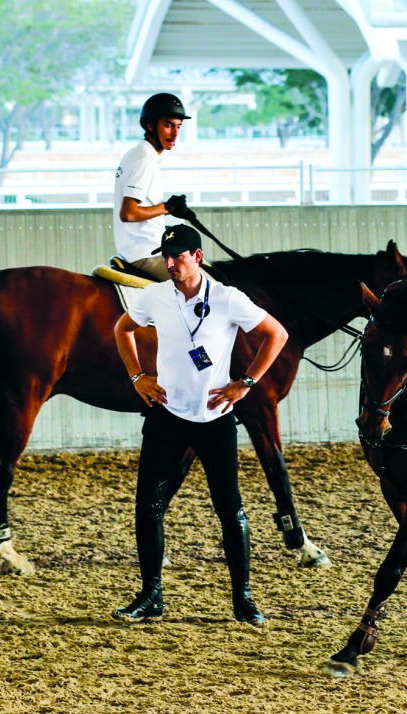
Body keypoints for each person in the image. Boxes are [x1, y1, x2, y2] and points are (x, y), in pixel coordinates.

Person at [111, 224, 288, 625]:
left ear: (198, 257)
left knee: (231, 510)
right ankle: (150, 595)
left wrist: (246, 383)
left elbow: (276, 334)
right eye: (166, 256)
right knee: (149, 508)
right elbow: (123, 330)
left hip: (215, 420)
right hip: (166, 417)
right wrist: (138, 376)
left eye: (179, 256)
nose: (170, 263)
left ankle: (243, 599)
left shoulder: (227, 299)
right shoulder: (154, 295)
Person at [113, 93, 196, 282]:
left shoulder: (136, 154)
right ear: (150, 126)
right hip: (146, 252)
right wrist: (168, 208)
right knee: (209, 291)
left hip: (140, 248)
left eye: (178, 127)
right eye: (168, 125)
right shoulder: (144, 160)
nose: (175, 133)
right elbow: (129, 213)